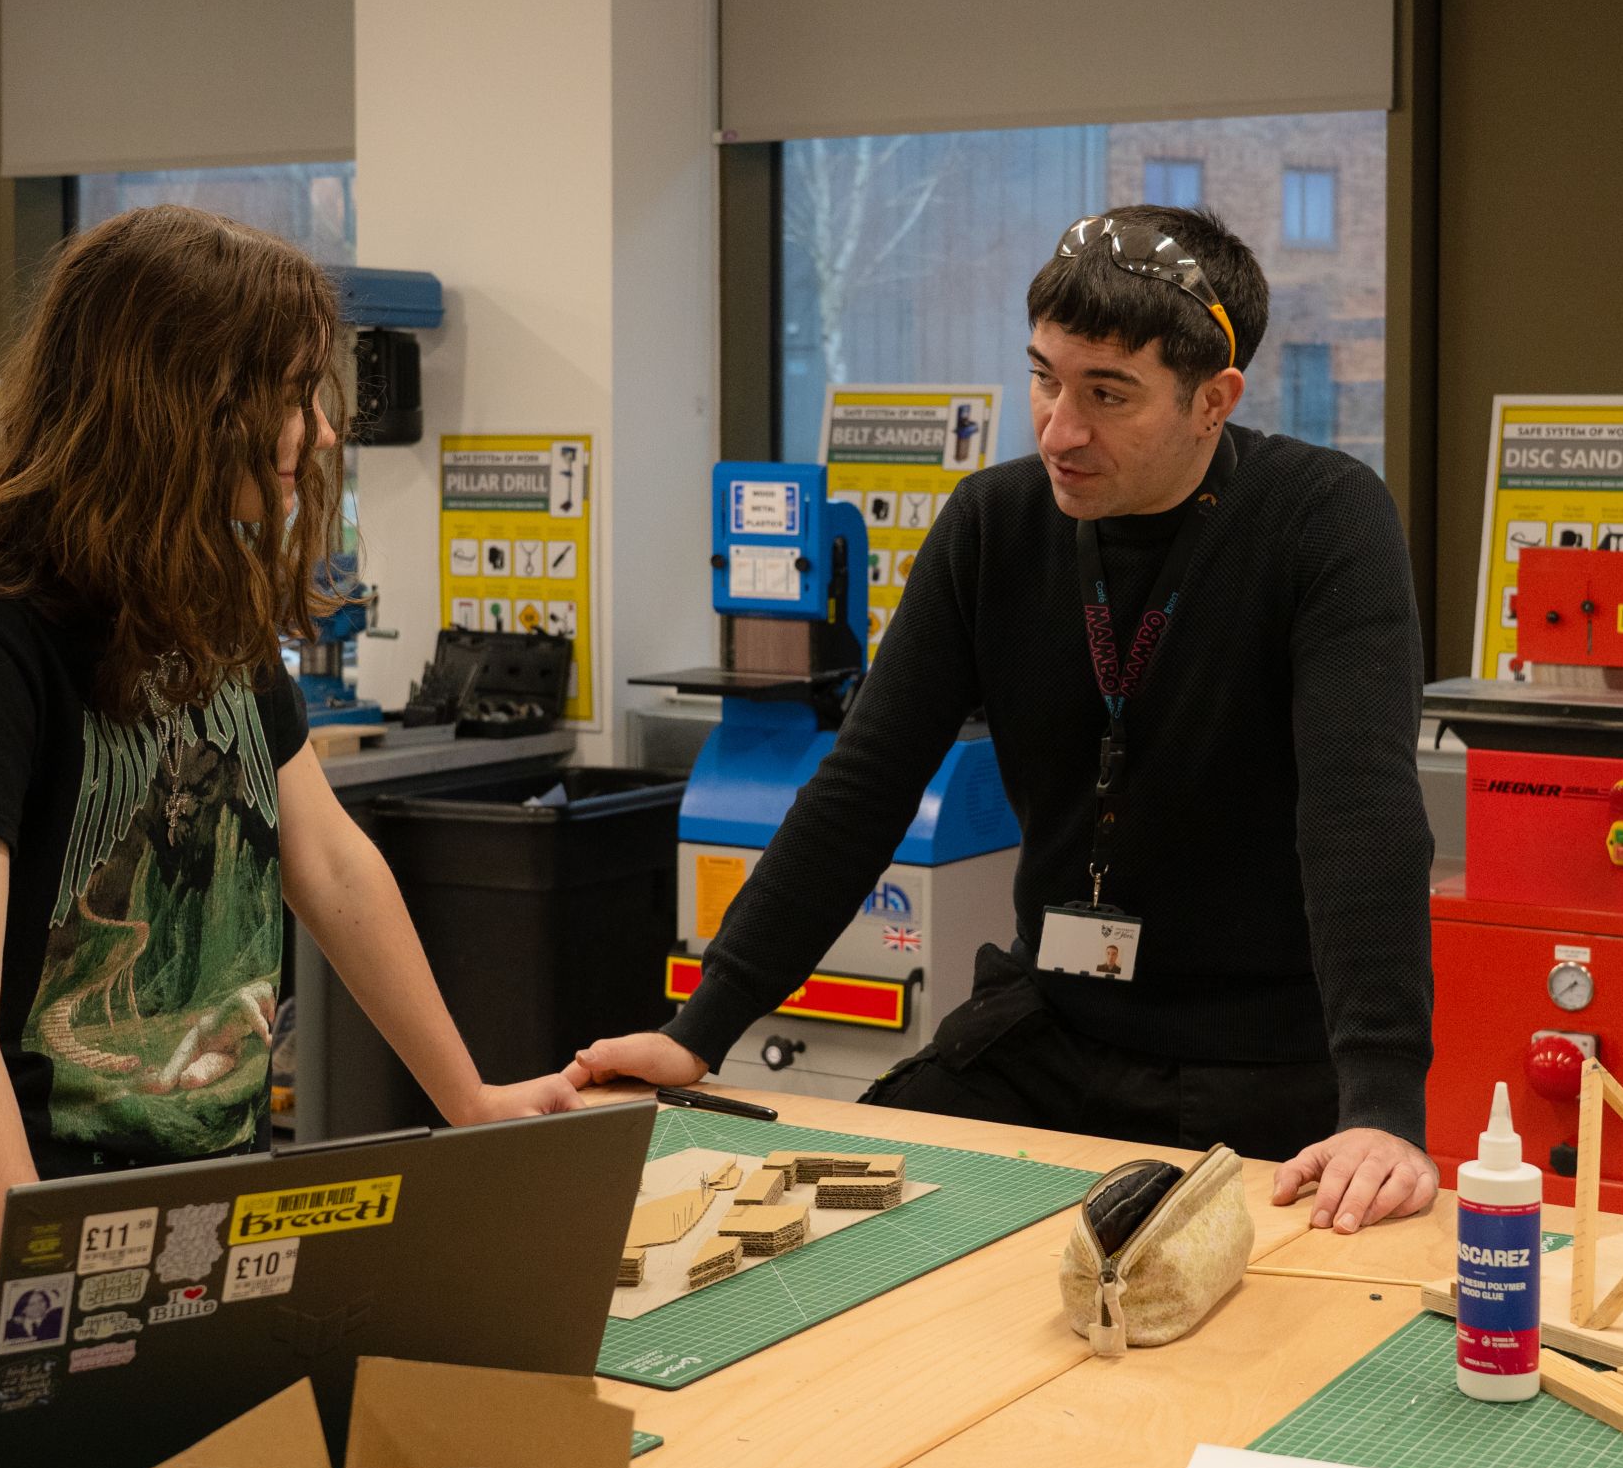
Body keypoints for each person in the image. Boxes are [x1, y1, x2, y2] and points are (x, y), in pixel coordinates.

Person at [579, 204, 1439, 1232]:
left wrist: (1381, 1107)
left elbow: (1361, 817)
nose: (1059, 428)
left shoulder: (1322, 521)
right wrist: (700, 1029)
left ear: (1213, 399)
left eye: (1107, 394)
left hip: (1257, 1069)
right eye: (1044, 377)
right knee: (846, 1240)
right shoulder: (994, 525)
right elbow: (863, 788)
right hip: (1051, 1027)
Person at [0, 205, 580, 1284]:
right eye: (292, 395)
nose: (320, 433)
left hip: (208, 1219)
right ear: (181, 397)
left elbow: (327, 862)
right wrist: (42, 1294)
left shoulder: (205, 595)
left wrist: (466, 1098)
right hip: (1, 1248)